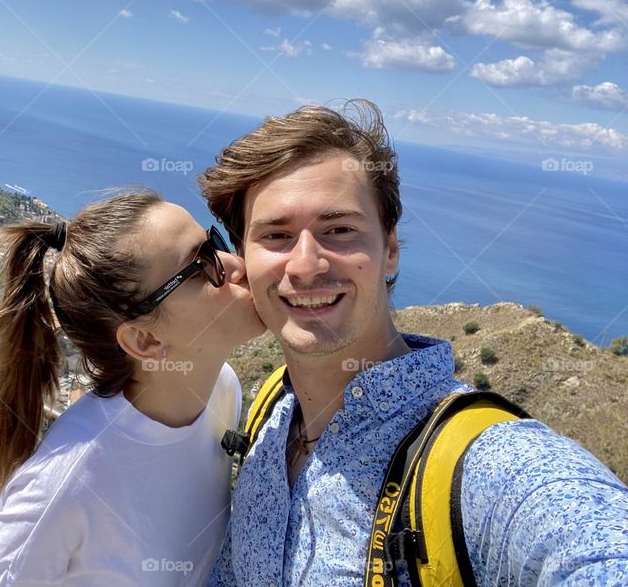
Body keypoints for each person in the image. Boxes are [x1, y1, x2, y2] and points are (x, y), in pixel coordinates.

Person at [200, 101, 628, 586]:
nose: (305, 265)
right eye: (276, 235)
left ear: (390, 250)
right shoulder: (271, 411)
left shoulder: (485, 463)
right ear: (243, 260)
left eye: (339, 230)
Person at [0, 191, 265, 586]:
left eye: (215, 244)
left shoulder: (221, 390)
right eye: (201, 267)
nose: (237, 265)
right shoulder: (64, 482)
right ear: (144, 340)